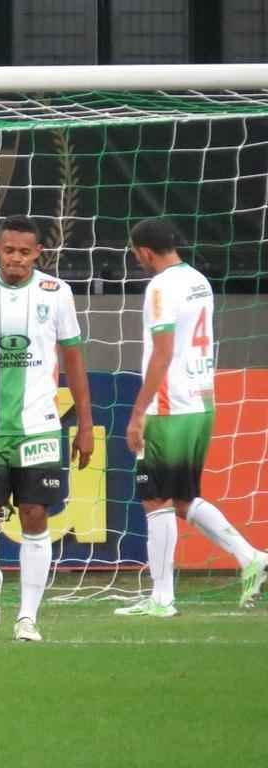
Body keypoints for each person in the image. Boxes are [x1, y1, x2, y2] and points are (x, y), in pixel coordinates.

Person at [0, 215, 94, 642]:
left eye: (25, 252)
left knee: (35, 514)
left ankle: (28, 616)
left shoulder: (57, 293)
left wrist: (85, 423)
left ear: (37, 255)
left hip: (40, 428)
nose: (16, 259)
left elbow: (74, 359)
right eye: (9, 250)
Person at [117, 218, 268, 617]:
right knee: (182, 498)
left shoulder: (160, 287)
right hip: (201, 402)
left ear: (145, 252)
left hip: (169, 406)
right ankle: (252, 556)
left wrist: (137, 412)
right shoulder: (198, 280)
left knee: (154, 499)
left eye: (137, 254)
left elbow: (163, 353)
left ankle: (162, 599)